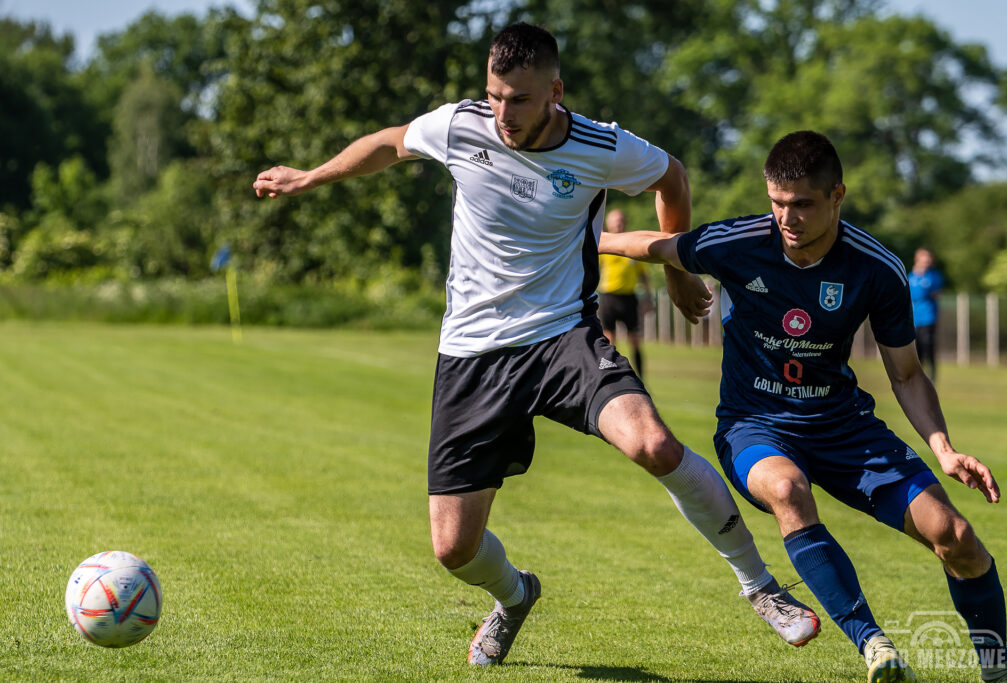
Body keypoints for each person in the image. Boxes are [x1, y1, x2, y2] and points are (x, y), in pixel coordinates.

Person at [253, 23, 820, 667]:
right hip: (470, 354)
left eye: (519, 99)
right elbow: (389, 145)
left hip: (562, 337)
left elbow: (672, 177)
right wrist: (308, 177)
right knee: (453, 550)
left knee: (655, 443)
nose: (502, 113)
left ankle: (761, 587)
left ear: (554, 91)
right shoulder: (459, 125)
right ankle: (515, 595)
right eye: (494, 95)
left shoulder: (601, 147)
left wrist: (677, 270)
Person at [599, 130, 1007, 683]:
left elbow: (908, 374)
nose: (786, 217)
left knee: (957, 539)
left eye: (802, 204)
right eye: (777, 203)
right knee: (786, 490)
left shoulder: (876, 269)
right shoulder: (738, 242)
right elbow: (647, 245)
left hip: (844, 428)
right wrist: (576, 237)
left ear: (837, 196)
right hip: (755, 427)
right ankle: (875, 647)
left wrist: (943, 449)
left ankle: (998, 669)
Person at [598, 209, 651, 377]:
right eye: (615, 221)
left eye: (620, 220)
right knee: (610, 342)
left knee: (635, 341)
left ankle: (641, 379)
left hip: (629, 298)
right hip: (609, 298)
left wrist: (648, 298)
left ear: (625, 223)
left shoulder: (632, 245)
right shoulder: (603, 244)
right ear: (608, 224)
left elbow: (644, 275)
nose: (618, 224)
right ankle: (609, 378)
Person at [908, 247, 944, 381]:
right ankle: (918, 379)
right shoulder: (910, 277)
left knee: (929, 348)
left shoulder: (934, 277)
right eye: (924, 259)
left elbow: (932, 293)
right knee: (916, 352)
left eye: (929, 259)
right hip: (913, 320)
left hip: (928, 318)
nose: (927, 262)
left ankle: (933, 379)